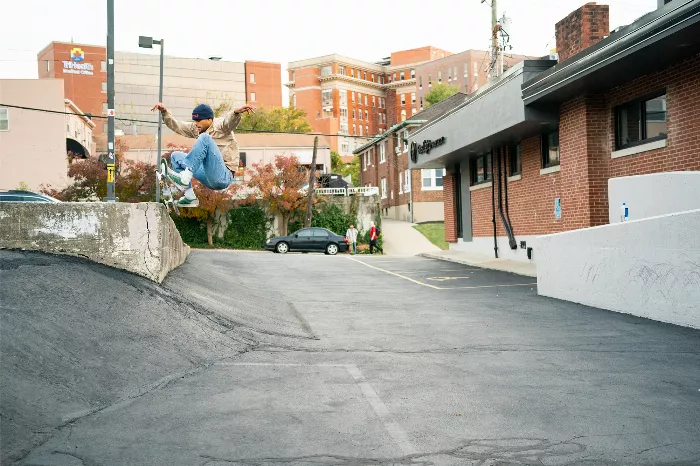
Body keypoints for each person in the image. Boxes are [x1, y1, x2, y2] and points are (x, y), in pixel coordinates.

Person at [151, 102, 255, 207]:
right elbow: (177, 126)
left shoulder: (220, 126)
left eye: (199, 121)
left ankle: (185, 177)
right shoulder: (195, 128)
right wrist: (164, 112)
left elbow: (229, 123)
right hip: (207, 176)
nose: (196, 124)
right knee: (175, 156)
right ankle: (190, 197)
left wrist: (236, 112)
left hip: (223, 176)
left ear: (210, 120)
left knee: (205, 138)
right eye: (195, 121)